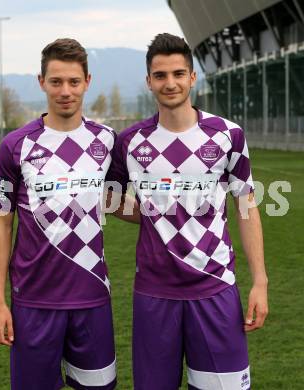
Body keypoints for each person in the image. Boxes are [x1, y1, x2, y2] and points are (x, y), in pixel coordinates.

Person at [106, 33, 268, 390]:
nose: (170, 83)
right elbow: (109, 197)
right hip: (154, 292)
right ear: (149, 81)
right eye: (160, 75)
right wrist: (150, 213)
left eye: (178, 73)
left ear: (192, 77)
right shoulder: (130, 141)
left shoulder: (228, 135)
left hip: (215, 287)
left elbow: (246, 206)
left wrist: (260, 281)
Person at [0, 38, 118, 390]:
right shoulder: (14, 146)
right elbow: (1, 222)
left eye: (74, 82)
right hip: (33, 301)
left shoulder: (107, 141)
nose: (65, 91)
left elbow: (121, 200)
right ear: (41, 81)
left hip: (92, 295)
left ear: (87, 82)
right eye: (56, 81)